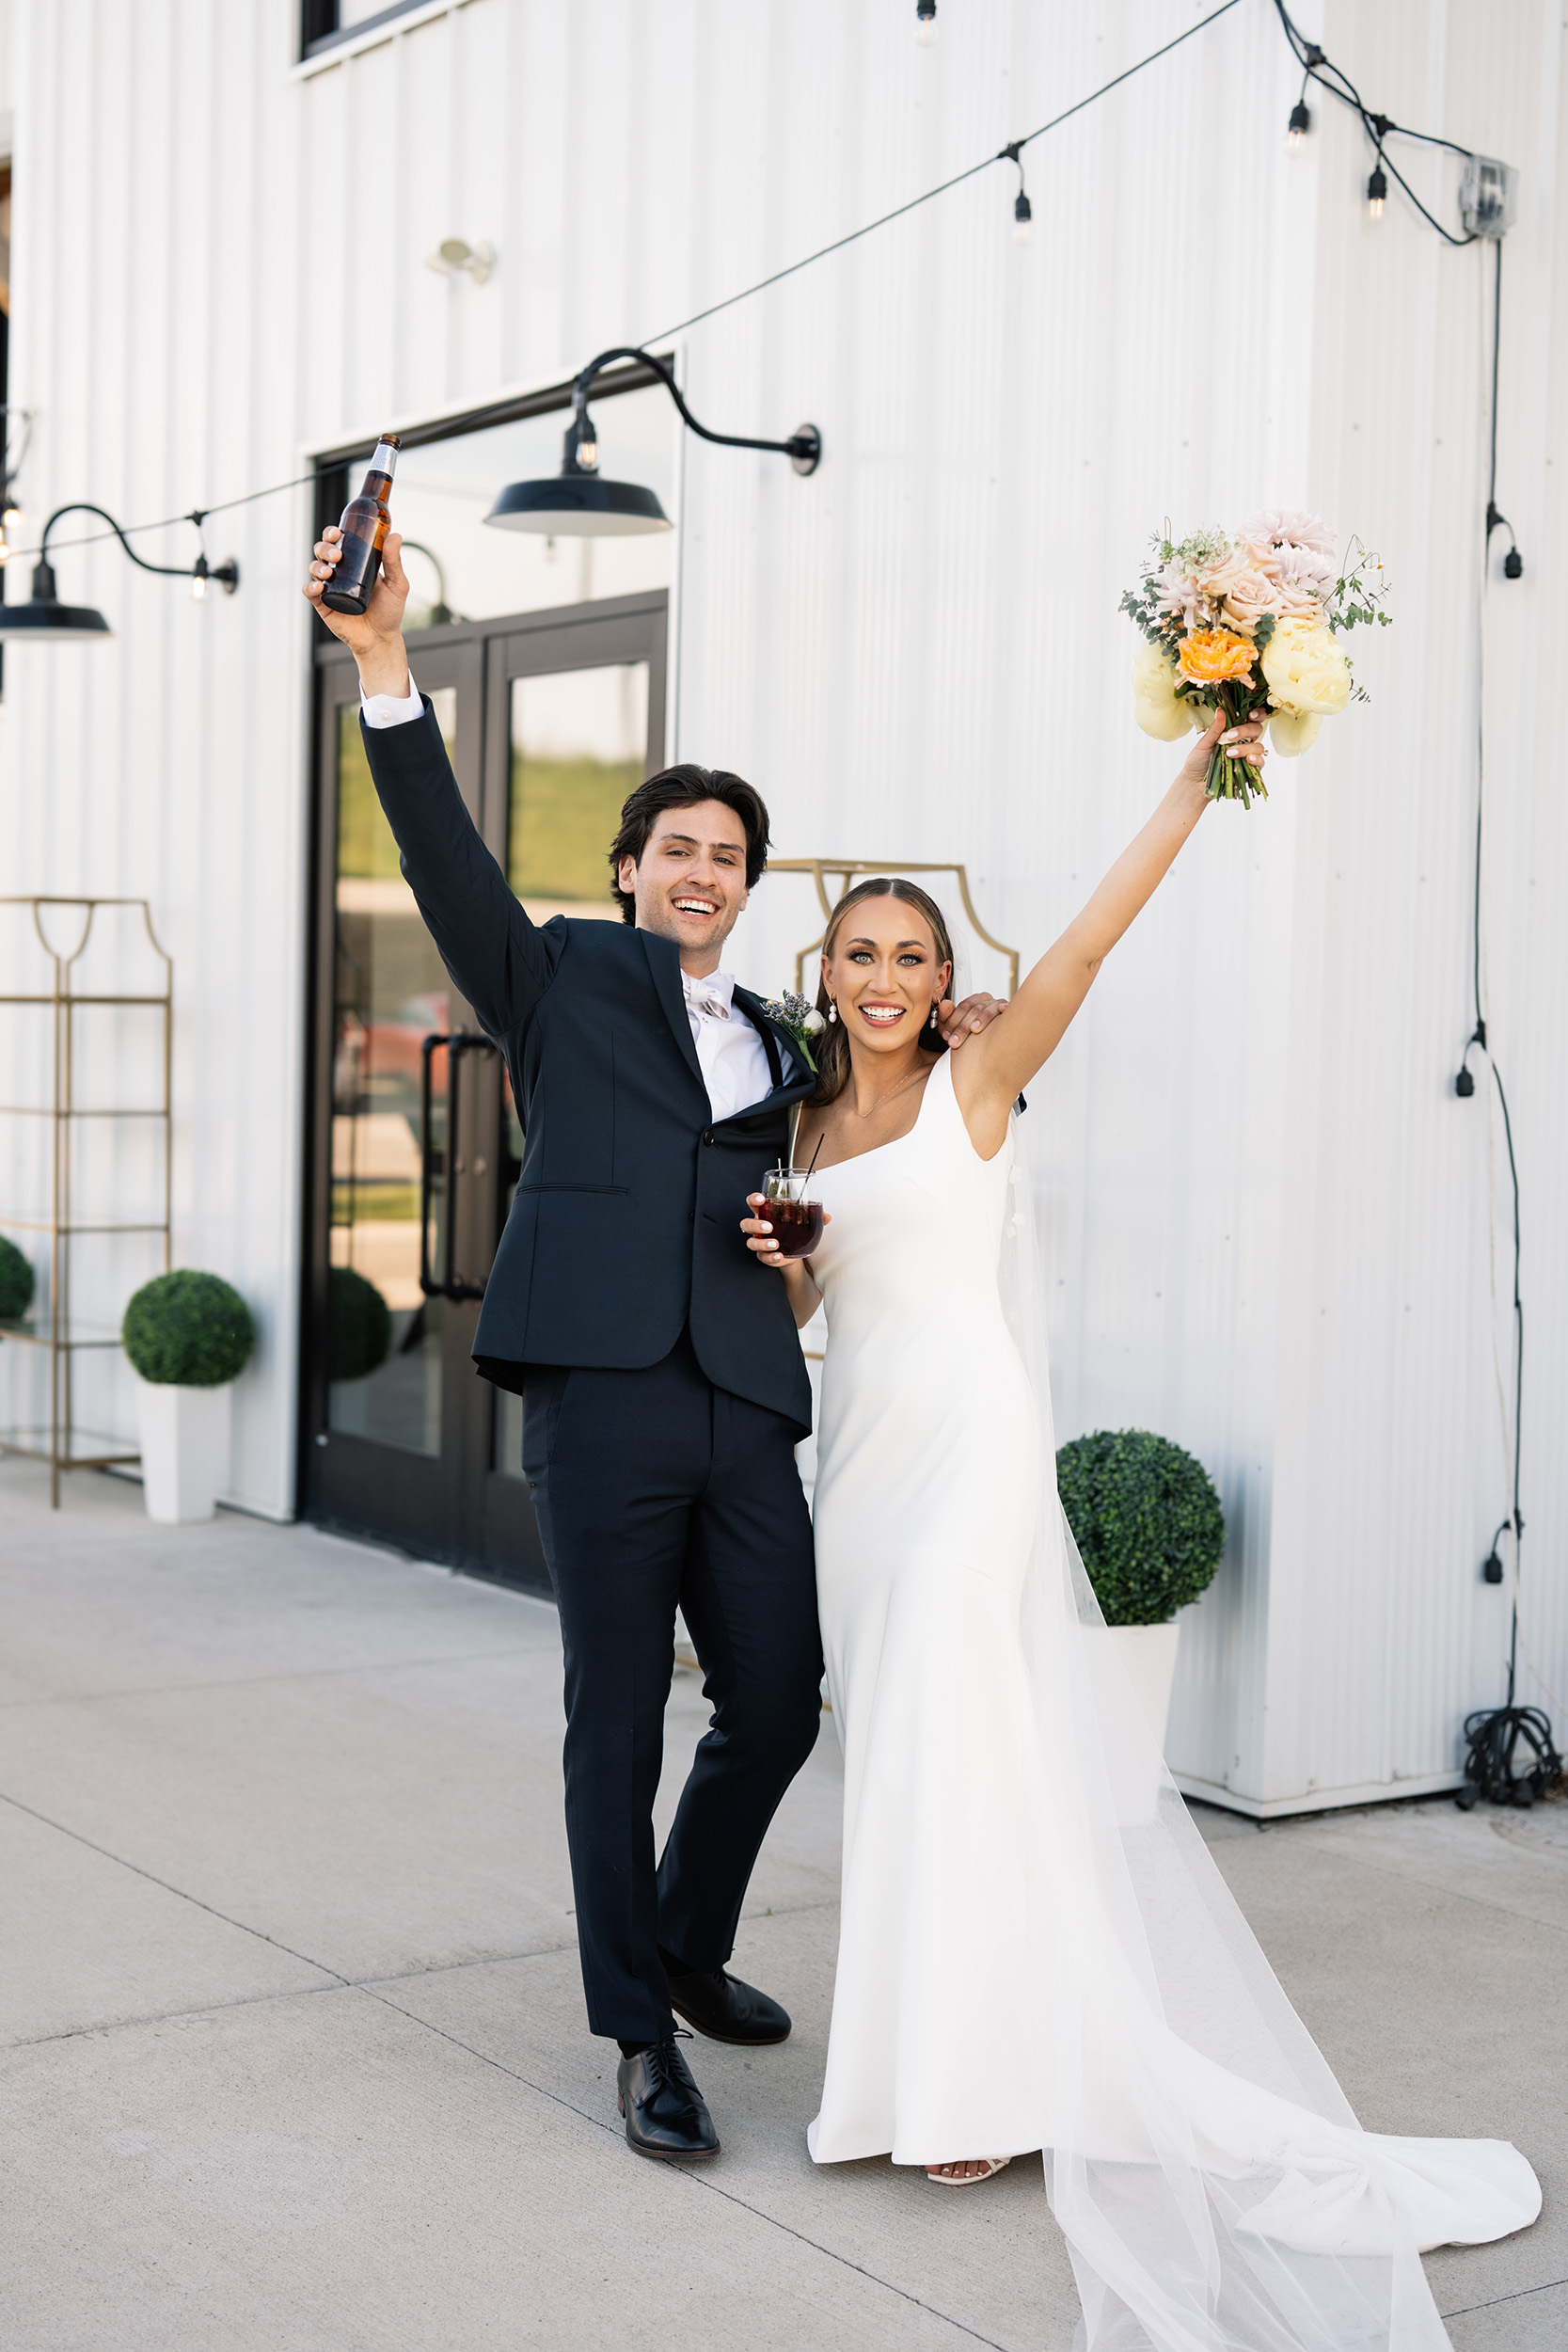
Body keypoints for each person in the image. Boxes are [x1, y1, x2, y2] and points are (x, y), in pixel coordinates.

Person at [742, 713, 1540, 2350]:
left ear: (945, 972)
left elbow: (1096, 938)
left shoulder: (980, 1075)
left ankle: (980, 2088)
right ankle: (929, 2066)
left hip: (968, 1473)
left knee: (964, 1760)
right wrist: (783, 1261)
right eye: (860, 954)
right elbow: (823, 1300)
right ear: (824, 973)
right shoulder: (803, 1122)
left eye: (911, 953)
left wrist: (1199, 771)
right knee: (899, 1761)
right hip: (863, 1477)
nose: (886, 976)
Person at [304, 521, 1002, 2163]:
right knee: (615, 1719)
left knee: (778, 1698)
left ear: (751, 890)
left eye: (730, 859)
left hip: (750, 1397)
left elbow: (874, 1129)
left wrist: (952, 1042)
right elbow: (441, 857)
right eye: (679, 848)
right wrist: (383, 665)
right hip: (603, 1401)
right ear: (631, 870)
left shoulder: (782, 1034)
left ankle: (686, 1940)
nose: (705, 874)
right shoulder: (560, 984)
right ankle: (638, 2033)